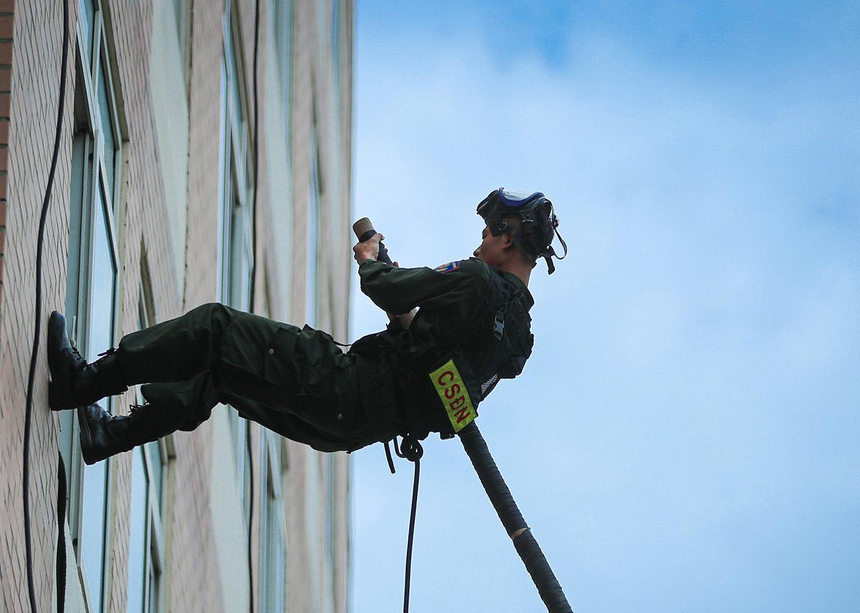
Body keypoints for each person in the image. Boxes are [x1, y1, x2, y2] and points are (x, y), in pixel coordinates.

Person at [47, 188, 565, 464]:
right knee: (222, 375)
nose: (478, 242)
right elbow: (445, 392)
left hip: (342, 385)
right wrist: (411, 336)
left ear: (507, 239)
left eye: (486, 232)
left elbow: (385, 289)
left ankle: (86, 382)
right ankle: (109, 438)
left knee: (216, 327)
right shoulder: (516, 339)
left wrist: (370, 259)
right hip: (352, 427)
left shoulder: (475, 278)